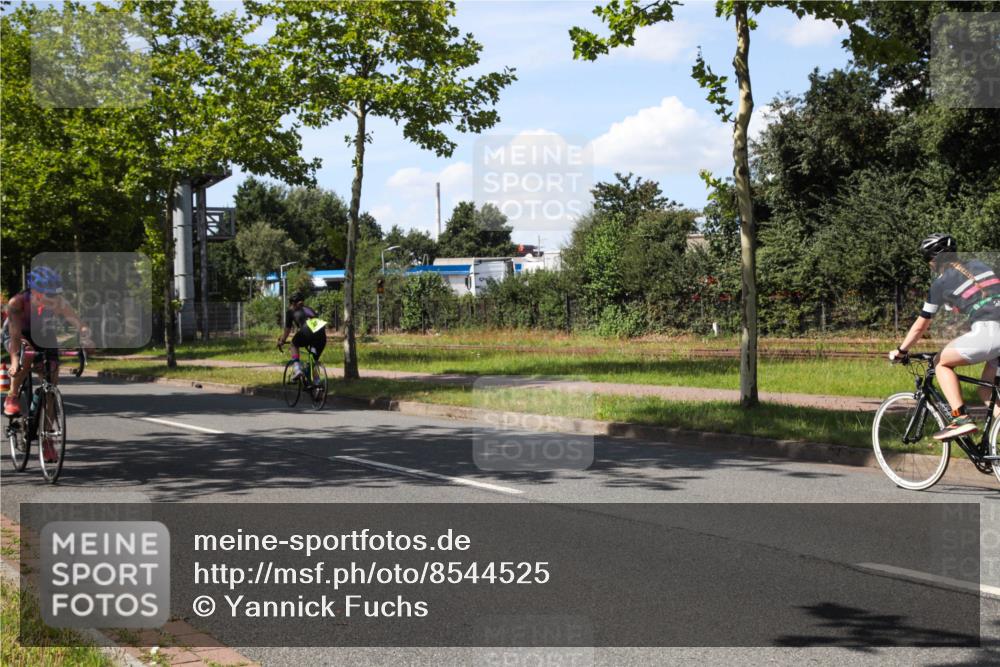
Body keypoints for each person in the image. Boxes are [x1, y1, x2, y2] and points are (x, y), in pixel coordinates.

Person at [889, 233, 1000, 440]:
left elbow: (921, 325)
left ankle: (960, 418)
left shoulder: (940, 284)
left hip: (990, 332)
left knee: (940, 362)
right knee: (986, 389)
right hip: (992, 332)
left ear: (934, 261)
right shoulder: (980, 266)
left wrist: (902, 351)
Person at [3, 266, 93, 461]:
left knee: (51, 377)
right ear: (34, 291)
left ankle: (47, 439)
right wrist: (14, 362)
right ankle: (12, 396)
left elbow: (79, 324)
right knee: (25, 356)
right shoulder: (17, 303)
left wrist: (85, 336)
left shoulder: (58, 302)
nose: (51, 298)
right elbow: (16, 337)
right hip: (17, 334)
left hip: (43, 335)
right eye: (47, 294)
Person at [277, 291, 327, 382]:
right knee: (312, 363)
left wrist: (282, 340)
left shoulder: (291, 311)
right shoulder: (309, 309)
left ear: (292, 303)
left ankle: (297, 369)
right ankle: (318, 385)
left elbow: (287, 330)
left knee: (293, 344)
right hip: (321, 331)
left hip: (308, 328)